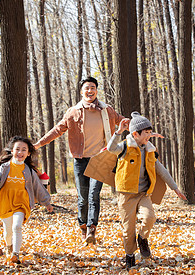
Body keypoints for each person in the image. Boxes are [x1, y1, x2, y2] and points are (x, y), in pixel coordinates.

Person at [33, 77, 126, 244]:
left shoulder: (107, 110)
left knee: (94, 195)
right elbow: (57, 130)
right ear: (81, 92)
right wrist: (38, 144)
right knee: (83, 198)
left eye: (93, 87)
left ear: (96, 90)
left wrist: (143, 129)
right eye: (86, 88)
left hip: (100, 159)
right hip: (80, 160)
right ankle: (82, 226)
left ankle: (92, 229)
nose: (90, 91)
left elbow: (124, 121)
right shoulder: (73, 112)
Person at [107, 112, 187, 269]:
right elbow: (111, 148)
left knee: (150, 217)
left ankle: (142, 238)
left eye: (151, 132)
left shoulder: (150, 150)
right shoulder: (125, 147)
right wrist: (118, 131)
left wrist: (175, 188)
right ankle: (129, 256)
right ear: (135, 134)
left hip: (144, 194)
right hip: (126, 194)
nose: (150, 136)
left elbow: (161, 170)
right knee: (128, 229)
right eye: (147, 133)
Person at [0, 136, 53, 263]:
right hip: (5, 202)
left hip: (21, 202)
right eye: (17, 149)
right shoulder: (4, 167)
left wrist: (47, 203)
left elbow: (38, 187)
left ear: (28, 154)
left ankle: (16, 254)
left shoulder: (29, 171)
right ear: (12, 151)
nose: (20, 152)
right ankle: (9, 246)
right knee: (8, 232)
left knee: (17, 226)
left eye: (24, 150)